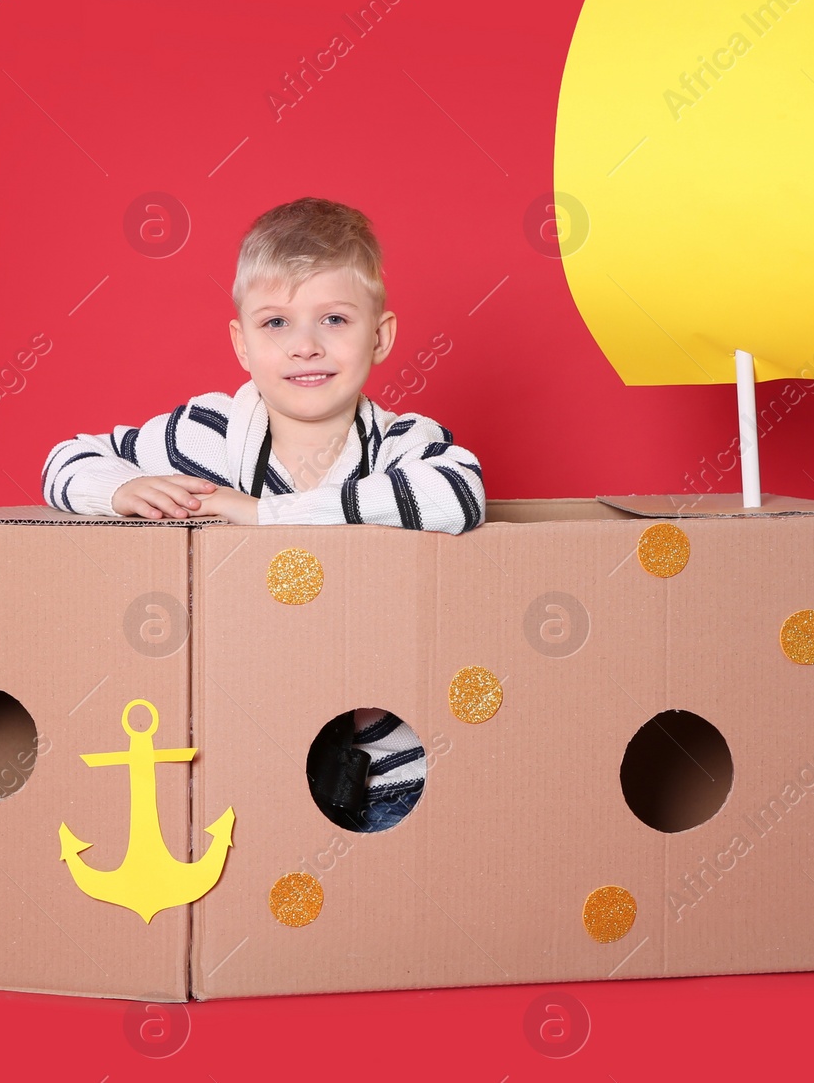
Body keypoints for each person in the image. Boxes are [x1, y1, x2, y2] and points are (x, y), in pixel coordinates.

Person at [40, 196, 486, 829]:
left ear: (380, 336)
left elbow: (460, 492)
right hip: (242, 705)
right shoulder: (210, 432)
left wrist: (265, 514)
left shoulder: (402, 442)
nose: (305, 346)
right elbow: (66, 459)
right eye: (276, 323)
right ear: (241, 342)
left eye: (334, 319)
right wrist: (118, 490)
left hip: (373, 702)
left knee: (391, 821)